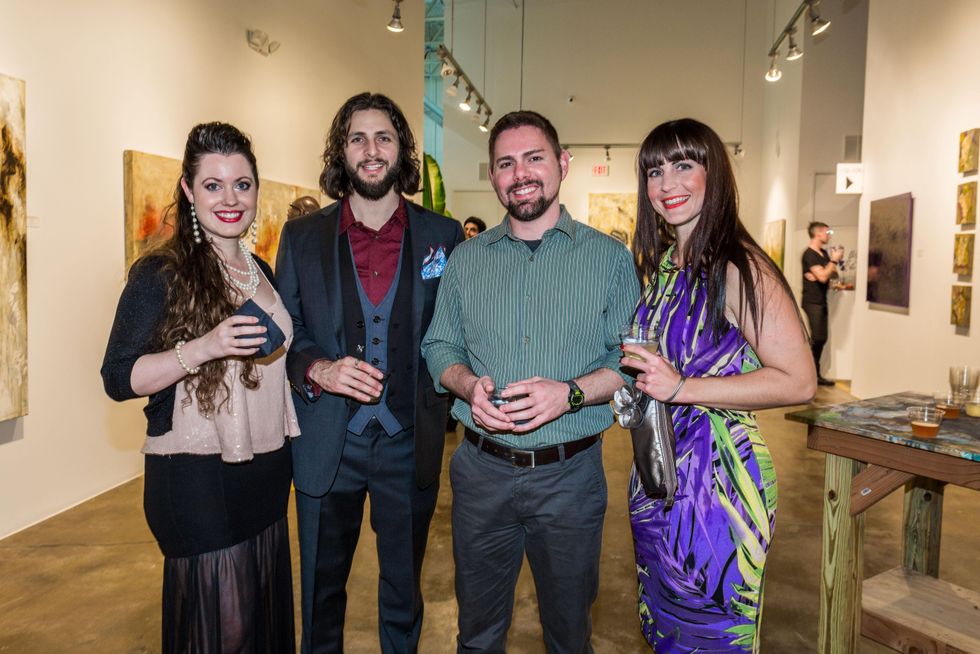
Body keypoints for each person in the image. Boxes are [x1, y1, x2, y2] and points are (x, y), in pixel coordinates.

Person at [421, 110, 639, 653]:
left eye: (534, 158)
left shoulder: (609, 260)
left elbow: (630, 360)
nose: (521, 173)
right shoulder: (466, 262)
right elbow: (438, 347)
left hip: (570, 478)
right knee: (476, 635)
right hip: (480, 475)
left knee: (568, 635)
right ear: (493, 176)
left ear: (562, 164)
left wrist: (569, 393)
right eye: (506, 163)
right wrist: (468, 384)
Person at [276, 92, 463, 654]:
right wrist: (320, 369)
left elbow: (456, 330)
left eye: (383, 137)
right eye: (357, 138)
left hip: (410, 441)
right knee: (320, 594)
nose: (371, 149)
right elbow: (285, 335)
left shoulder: (443, 236)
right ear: (342, 152)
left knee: (404, 594)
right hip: (327, 442)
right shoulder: (303, 238)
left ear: (401, 150)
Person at [101, 122, 298, 653]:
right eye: (213, 185)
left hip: (265, 472)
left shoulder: (260, 271)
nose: (230, 199)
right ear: (188, 190)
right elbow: (118, 377)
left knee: (261, 624)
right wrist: (204, 347)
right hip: (196, 477)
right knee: (223, 633)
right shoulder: (161, 272)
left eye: (242, 184)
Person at [622, 118, 815, 652]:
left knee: (709, 636)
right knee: (666, 631)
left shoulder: (738, 266)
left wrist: (681, 386)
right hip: (659, 477)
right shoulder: (666, 264)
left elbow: (799, 381)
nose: (667, 184)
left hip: (717, 491)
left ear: (715, 174)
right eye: (655, 171)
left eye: (684, 165)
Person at [802, 221, 843, 386]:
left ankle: (814, 374)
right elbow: (824, 276)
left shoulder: (823, 254)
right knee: (818, 337)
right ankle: (809, 374)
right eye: (827, 232)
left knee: (821, 338)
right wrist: (833, 262)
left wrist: (825, 270)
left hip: (821, 301)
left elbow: (833, 276)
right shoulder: (809, 254)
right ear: (818, 233)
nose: (828, 235)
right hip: (812, 302)